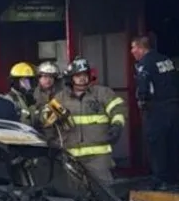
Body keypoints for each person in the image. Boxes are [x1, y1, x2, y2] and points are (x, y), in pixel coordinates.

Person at [55, 58, 128, 186]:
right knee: (75, 192)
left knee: (105, 191)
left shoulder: (102, 93)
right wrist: (52, 141)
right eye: (78, 75)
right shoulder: (61, 98)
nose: (82, 78)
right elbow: (46, 120)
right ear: (71, 78)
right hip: (71, 156)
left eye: (85, 75)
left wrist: (117, 125)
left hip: (98, 157)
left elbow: (118, 109)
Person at [131, 35, 179, 188]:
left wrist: (142, 102)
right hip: (175, 106)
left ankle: (160, 178)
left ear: (141, 48)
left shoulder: (144, 64)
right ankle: (175, 177)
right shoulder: (166, 60)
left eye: (134, 47)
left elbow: (143, 85)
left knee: (157, 144)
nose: (132, 51)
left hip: (157, 108)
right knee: (173, 142)